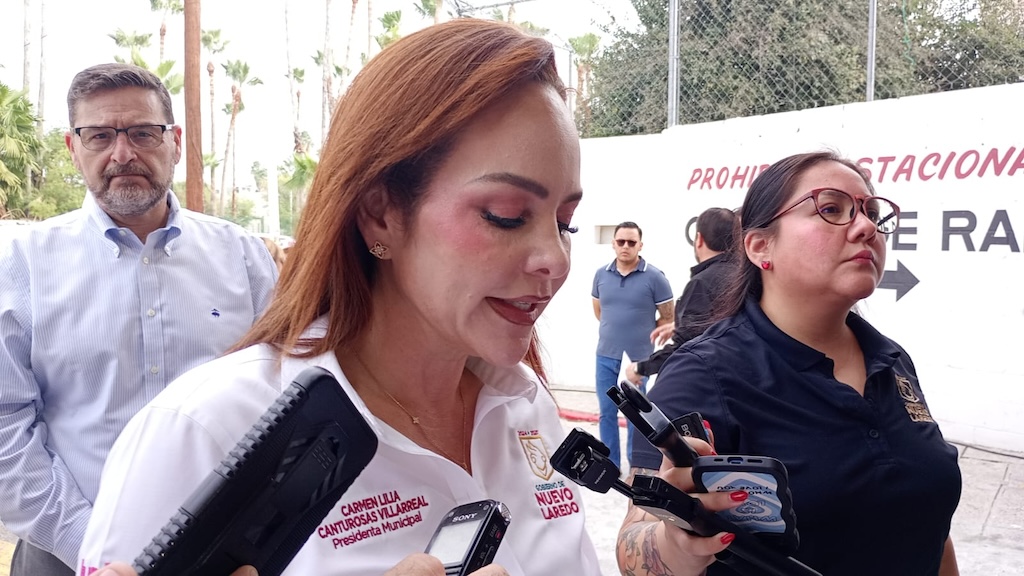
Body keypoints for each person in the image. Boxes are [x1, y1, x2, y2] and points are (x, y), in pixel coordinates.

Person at [78, 19, 600, 576]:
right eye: (506, 215)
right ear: (380, 213)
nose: (555, 259)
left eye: (565, 222)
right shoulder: (204, 430)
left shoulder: (525, 404)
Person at [618, 151, 962, 575]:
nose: (867, 227)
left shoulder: (892, 360)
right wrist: (674, 545)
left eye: (872, 213)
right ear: (761, 246)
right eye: (831, 208)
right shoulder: (703, 373)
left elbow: (931, 528)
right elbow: (633, 546)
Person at [0, 63, 278, 575]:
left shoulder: (242, 257)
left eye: (143, 133)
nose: (122, 153)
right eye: (99, 136)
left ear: (175, 142)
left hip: (225, 555)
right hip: (64, 556)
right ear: (73, 148)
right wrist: (90, 547)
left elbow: (280, 396)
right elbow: (5, 426)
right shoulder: (22, 265)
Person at [592, 221, 674, 469]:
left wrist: (643, 332)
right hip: (606, 354)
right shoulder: (601, 275)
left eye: (631, 242)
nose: (625, 246)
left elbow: (668, 316)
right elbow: (599, 311)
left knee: (637, 413)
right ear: (613, 244)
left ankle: (636, 463)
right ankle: (611, 463)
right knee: (607, 411)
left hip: (639, 358)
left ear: (640, 245)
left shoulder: (655, 277)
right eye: (621, 242)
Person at [625, 207, 737, 384]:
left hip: (711, 382)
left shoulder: (702, 283)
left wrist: (640, 368)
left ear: (699, 239)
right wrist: (679, 325)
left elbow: (685, 347)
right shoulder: (745, 275)